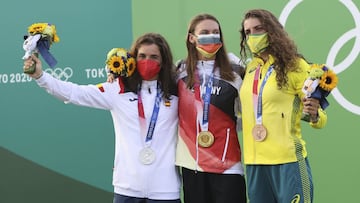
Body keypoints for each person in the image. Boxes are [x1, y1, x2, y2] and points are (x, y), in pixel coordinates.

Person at [23, 33, 181, 203]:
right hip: (127, 188)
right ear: (133, 59)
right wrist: (41, 77)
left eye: (154, 57)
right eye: (141, 56)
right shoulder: (117, 88)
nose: (147, 61)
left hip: (165, 190)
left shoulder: (177, 92)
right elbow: (75, 93)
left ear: (163, 61)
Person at [238, 9, 327, 203]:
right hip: (255, 164)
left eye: (258, 29)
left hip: (288, 162)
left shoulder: (295, 65)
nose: (253, 35)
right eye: (248, 32)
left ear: (272, 31)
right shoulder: (251, 68)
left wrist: (313, 115)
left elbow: (317, 116)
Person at [176, 13, 247, 203]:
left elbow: (249, 109)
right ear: (192, 38)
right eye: (205, 32)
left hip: (228, 164)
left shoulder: (237, 69)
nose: (212, 36)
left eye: (216, 32)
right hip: (193, 164)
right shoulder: (179, 70)